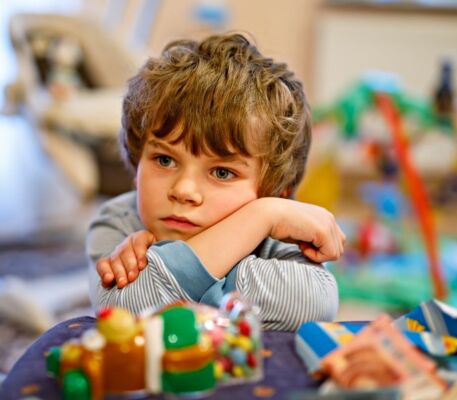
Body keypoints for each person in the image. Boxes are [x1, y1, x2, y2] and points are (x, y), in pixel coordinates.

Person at [86, 33, 346, 331]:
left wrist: (262, 217)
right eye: (164, 160)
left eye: (222, 172)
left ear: (274, 193)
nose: (183, 191)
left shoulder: (278, 231)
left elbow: (313, 302)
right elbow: (124, 307)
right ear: (136, 165)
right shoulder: (119, 220)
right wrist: (257, 219)